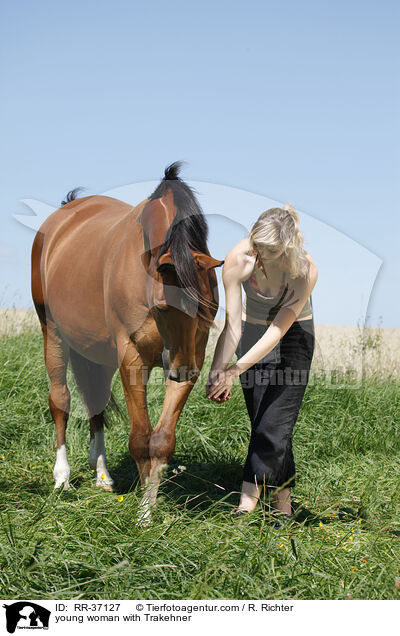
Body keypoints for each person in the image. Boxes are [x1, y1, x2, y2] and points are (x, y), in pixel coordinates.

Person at [206, 205, 318, 519]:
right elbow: (232, 325)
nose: (261, 254)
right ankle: (284, 506)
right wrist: (218, 372)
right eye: (257, 245)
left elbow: (279, 330)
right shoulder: (239, 259)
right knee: (263, 421)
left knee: (274, 423)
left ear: (287, 246)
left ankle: (246, 506)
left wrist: (235, 369)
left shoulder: (305, 269)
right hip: (252, 332)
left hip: (293, 337)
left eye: (270, 250)